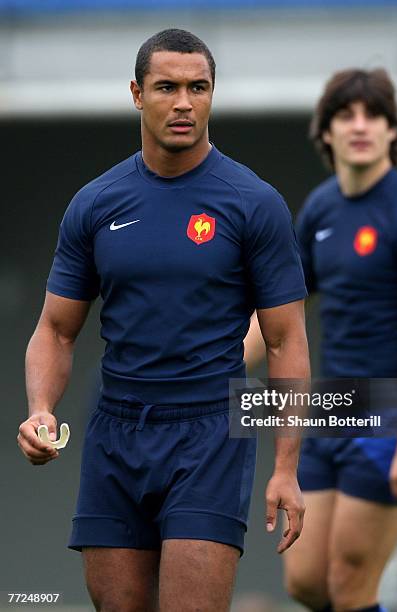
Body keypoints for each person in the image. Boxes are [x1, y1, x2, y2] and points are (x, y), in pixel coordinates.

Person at [17, 29, 309, 612]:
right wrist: (40, 411)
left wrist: (286, 467)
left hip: (207, 433)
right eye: (167, 87)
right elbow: (55, 330)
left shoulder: (253, 202)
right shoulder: (96, 204)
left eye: (198, 88)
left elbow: (285, 340)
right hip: (115, 432)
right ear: (136, 93)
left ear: (212, 95)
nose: (183, 102)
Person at [245, 68, 397, 612]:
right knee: (306, 584)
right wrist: (213, 364)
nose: (360, 126)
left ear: (392, 130)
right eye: (347, 115)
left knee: (349, 583)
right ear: (327, 131)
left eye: (374, 115)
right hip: (332, 411)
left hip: (392, 415)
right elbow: (281, 311)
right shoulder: (320, 209)